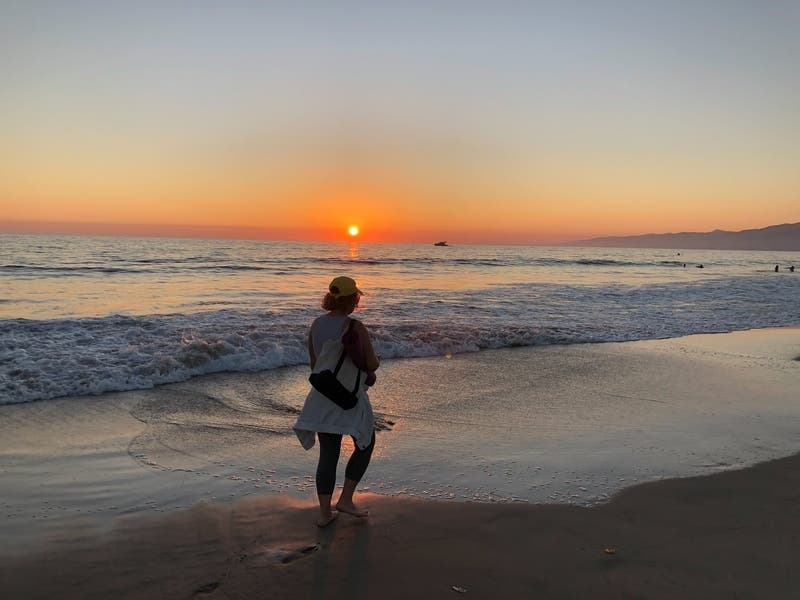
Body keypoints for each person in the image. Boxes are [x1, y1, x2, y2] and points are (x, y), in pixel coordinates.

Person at [294, 276, 380, 527]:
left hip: (323, 396)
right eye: (356, 297)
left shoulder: (316, 325)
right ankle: (346, 500)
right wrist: (375, 364)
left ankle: (324, 514)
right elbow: (371, 363)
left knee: (328, 454)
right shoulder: (355, 327)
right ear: (352, 299)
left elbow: (315, 365)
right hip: (349, 396)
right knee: (365, 444)